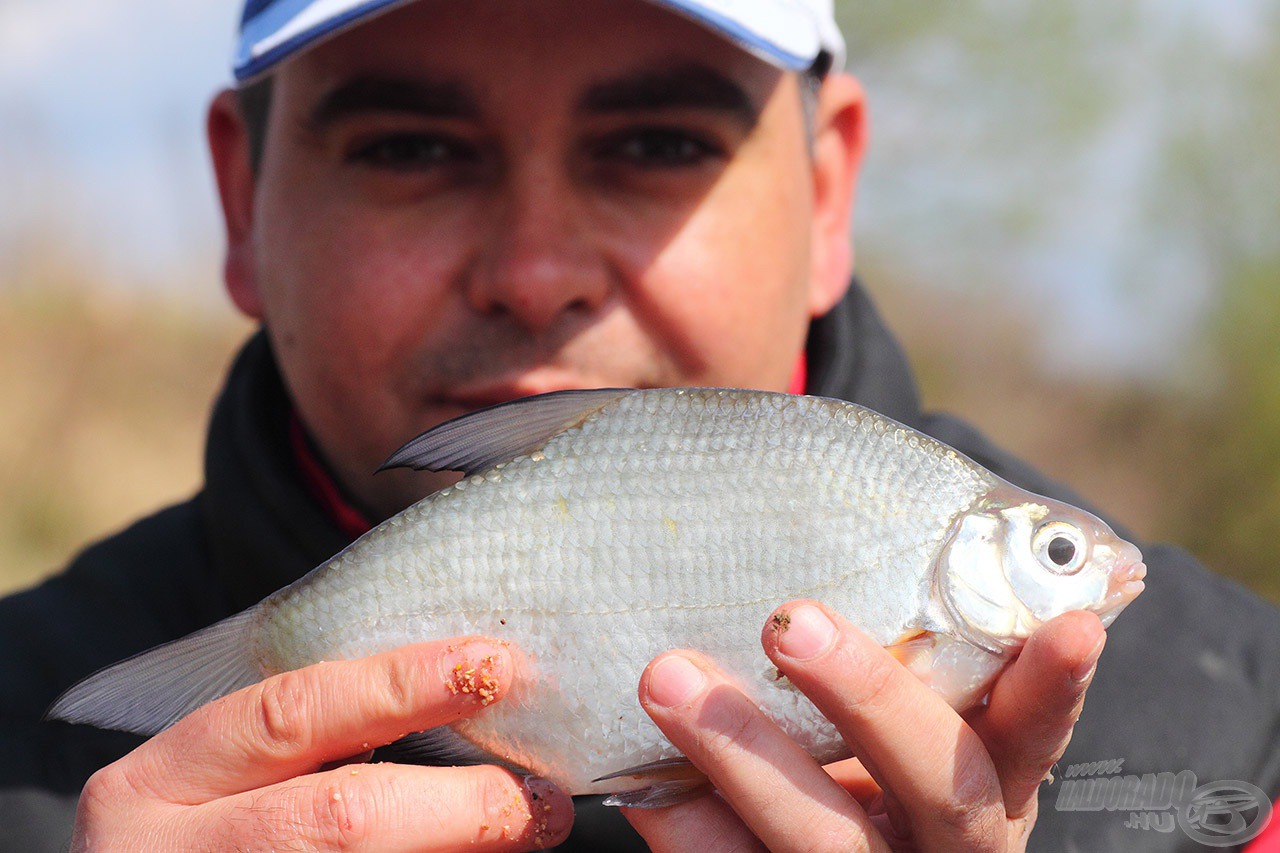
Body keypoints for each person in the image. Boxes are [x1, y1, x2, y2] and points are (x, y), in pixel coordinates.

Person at [2, 1, 1278, 850]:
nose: (536, 268)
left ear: (828, 191)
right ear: (241, 203)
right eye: (407, 148)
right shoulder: (21, 739)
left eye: (655, 142)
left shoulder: (1240, 744)